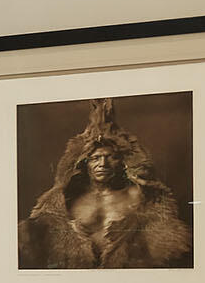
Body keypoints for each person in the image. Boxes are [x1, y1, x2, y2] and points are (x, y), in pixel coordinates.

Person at [19, 97, 194, 269]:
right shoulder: (68, 199)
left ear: (121, 162)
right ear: (85, 163)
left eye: (110, 157)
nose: (103, 164)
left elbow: (162, 239)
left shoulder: (138, 195)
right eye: (95, 158)